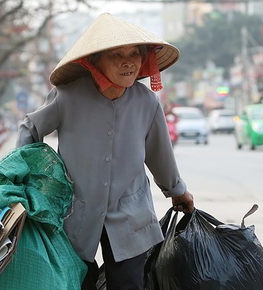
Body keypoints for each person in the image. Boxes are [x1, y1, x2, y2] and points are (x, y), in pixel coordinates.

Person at [15, 13, 194, 290]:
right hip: (76, 211)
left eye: (135, 53)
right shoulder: (67, 96)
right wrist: (26, 181)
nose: (128, 61)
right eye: (116, 55)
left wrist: (177, 191)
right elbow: (30, 128)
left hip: (130, 211)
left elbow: (159, 153)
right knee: (77, 281)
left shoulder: (147, 102)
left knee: (129, 284)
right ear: (93, 61)